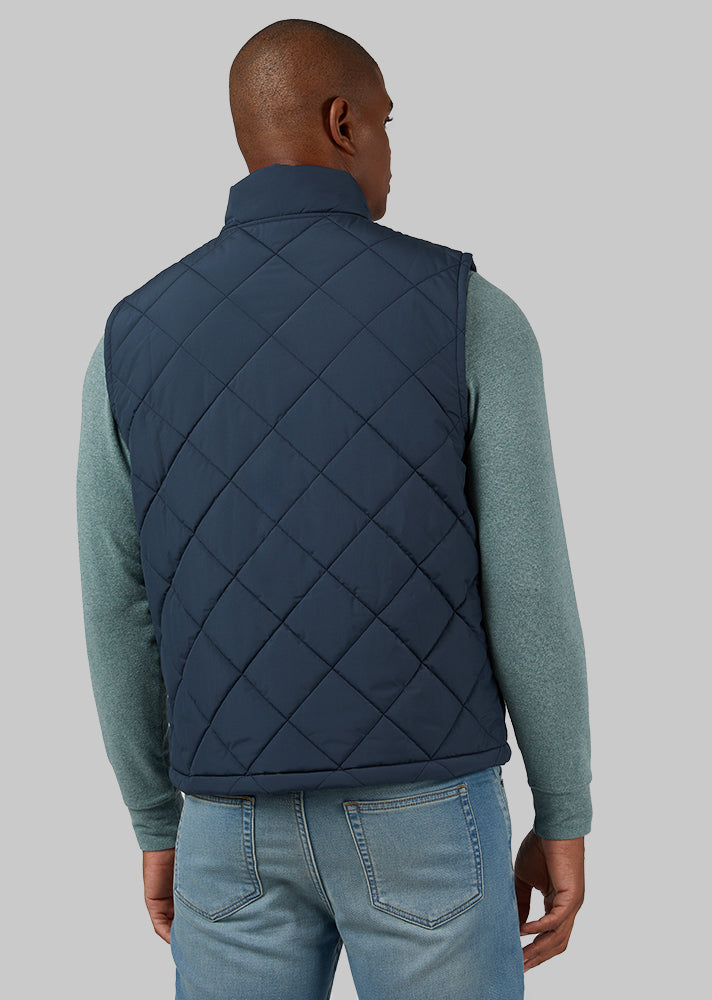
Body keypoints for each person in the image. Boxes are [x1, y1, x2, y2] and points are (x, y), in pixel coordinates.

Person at [76, 17, 591, 1000]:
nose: (392, 150)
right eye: (388, 123)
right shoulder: (468, 310)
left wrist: (156, 821)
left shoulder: (127, 338)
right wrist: (562, 810)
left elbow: (117, 604)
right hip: (426, 811)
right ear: (344, 122)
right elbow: (528, 586)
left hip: (224, 823)